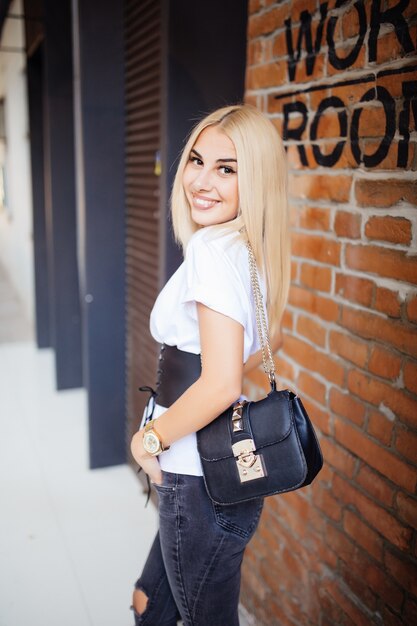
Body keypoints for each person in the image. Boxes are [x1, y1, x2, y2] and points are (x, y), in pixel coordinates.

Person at [130, 104, 290, 626]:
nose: (201, 180)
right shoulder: (244, 250)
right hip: (214, 472)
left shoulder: (214, 255)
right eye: (197, 161)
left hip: (195, 477)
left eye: (227, 168)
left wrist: (149, 439)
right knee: (149, 604)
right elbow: (266, 343)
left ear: (256, 180)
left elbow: (222, 383)